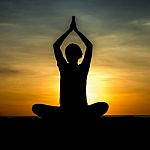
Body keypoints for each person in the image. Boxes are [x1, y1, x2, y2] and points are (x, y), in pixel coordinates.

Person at [32, 16, 109, 118]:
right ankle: (80, 117)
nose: (69, 56)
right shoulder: (66, 67)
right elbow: (57, 46)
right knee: (36, 107)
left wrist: (73, 30)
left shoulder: (81, 68)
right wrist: (72, 30)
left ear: (78, 55)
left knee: (104, 105)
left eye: (71, 53)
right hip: (67, 110)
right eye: (69, 54)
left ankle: (69, 117)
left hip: (78, 109)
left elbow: (89, 46)